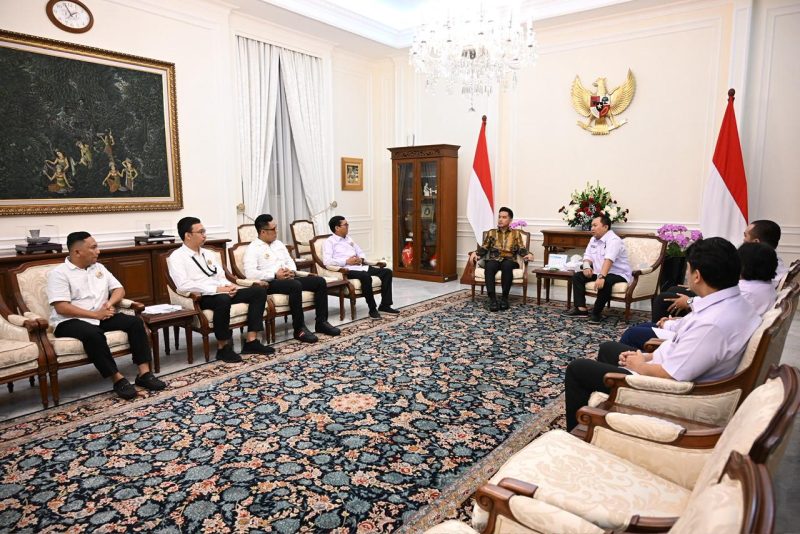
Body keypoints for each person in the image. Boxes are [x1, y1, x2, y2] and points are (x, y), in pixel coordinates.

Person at [564, 237, 761, 431]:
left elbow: (671, 376)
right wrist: (648, 355)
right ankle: (608, 415)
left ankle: (577, 433)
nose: (686, 272)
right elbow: (683, 352)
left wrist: (639, 364)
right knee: (608, 349)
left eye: (688, 268)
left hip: (665, 392)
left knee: (577, 369)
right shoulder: (734, 304)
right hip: (667, 368)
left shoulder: (712, 325)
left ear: (697, 276)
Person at [47, 231, 166, 400]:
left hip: (101, 315)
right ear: (77, 252)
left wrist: (109, 304)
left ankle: (144, 374)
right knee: (93, 334)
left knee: (135, 323)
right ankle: (118, 379)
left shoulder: (99, 268)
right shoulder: (59, 274)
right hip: (70, 320)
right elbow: (62, 307)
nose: (98, 251)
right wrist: (94, 315)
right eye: (93, 247)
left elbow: (119, 289)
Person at [619, 241, 778, 349]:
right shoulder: (752, 291)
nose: (686, 274)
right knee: (644, 325)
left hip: (680, 345)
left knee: (632, 334)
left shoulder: (742, 295)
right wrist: (673, 321)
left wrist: (679, 313)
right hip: (686, 334)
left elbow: (700, 325)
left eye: (688, 269)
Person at [167, 216, 273, 362]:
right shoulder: (177, 257)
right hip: (201, 296)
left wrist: (228, 286)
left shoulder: (208, 253)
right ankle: (223, 348)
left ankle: (251, 341)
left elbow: (220, 275)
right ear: (188, 235)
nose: (205, 235)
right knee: (222, 299)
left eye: (204, 231)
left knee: (258, 291)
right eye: (201, 232)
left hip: (221, 290)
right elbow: (183, 285)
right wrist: (217, 289)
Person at [652, 219, 786, 321]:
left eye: (745, 236)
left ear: (756, 241)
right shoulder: (770, 262)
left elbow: (728, 301)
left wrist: (690, 301)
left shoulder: (756, 276)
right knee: (673, 290)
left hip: (718, 307)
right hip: (722, 301)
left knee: (663, 299)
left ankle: (657, 332)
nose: (743, 239)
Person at [244, 214, 341, 343]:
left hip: (289, 278)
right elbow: (250, 273)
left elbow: (290, 261)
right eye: (273, 229)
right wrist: (274, 274)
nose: (276, 231)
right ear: (262, 231)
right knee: (295, 285)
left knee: (319, 281)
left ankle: (321, 322)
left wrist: (291, 271)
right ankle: (299, 329)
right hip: (270, 283)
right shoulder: (253, 248)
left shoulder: (278, 244)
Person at [323, 216, 399, 320]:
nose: (348, 226)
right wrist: (346, 261)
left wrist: (361, 259)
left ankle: (385, 305)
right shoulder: (329, 242)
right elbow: (327, 262)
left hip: (360, 266)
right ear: (337, 228)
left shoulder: (349, 239)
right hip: (347, 270)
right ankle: (372, 309)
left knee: (387, 272)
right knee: (365, 276)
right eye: (345, 225)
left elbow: (360, 252)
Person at [562, 214, 632, 322]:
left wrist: (601, 276)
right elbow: (587, 256)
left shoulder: (614, 240)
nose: (592, 228)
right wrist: (586, 267)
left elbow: (609, 259)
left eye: (595, 225)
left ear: (605, 227)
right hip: (599, 271)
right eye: (591, 226)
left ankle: (596, 313)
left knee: (606, 282)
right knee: (577, 277)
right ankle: (581, 309)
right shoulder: (593, 239)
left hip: (618, 273)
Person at [468, 207, 533, 311]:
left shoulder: (516, 233)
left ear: (510, 220)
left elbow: (521, 248)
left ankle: (504, 298)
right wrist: (475, 253)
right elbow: (484, 248)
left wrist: (529, 254)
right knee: (489, 266)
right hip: (494, 259)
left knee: (507, 266)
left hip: (509, 260)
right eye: (499, 217)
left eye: (504, 217)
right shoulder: (491, 233)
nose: (500, 219)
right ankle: (492, 299)